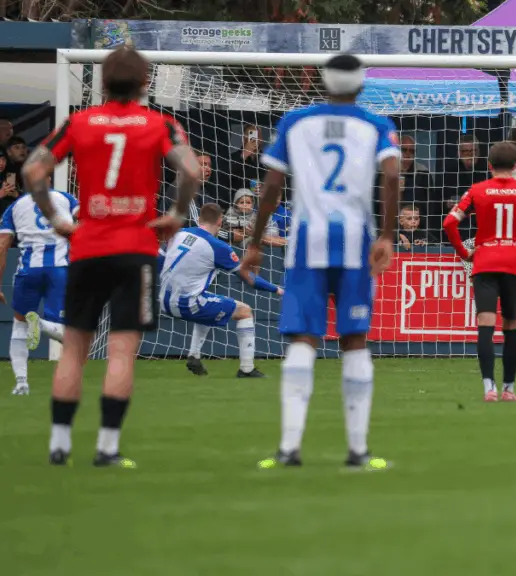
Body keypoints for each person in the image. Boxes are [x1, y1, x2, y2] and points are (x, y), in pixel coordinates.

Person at [21, 46, 202, 467]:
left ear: (103, 82)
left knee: (73, 350)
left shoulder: (79, 123)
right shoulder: (160, 124)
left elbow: (33, 169)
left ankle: (60, 445)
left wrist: (57, 218)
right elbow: (191, 170)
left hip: (87, 247)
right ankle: (106, 448)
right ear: (145, 83)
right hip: (136, 249)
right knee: (120, 352)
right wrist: (176, 214)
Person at [241, 54, 399, 470]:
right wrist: (386, 233)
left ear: (321, 81)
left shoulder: (295, 121)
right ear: (361, 83)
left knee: (302, 340)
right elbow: (393, 174)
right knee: (354, 339)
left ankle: (289, 448)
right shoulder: (377, 124)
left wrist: (255, 242)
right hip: (355, 242)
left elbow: (272, 185)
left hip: (306, 241)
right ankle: (358, 451)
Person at [443, 141, 516, 402]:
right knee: (511, 325)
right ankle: (509, 389)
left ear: (489, 165)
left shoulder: (477, 190)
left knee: (485, 323)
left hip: (484, 261)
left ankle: (489, 388)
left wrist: (465, 253)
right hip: (514, 262)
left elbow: (449, 222)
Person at [158, 203, 282, 378]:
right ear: (220, 221)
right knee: (245, 311)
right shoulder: (218, 247)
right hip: (187, 304)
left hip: (163, 301)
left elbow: (158, 262)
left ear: (199, 218)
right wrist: (276, 289)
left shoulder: (179, 234)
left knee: (210, 302)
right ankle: (247, 369)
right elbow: (249, 279)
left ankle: (194, 355)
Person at [0, 189, 78, 395]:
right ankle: (41, 323)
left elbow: (2, 246)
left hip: (27, 271)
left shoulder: (14, 207)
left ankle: (21, 383)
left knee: (19, 324)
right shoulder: (66, 198)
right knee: (66, 332)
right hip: (58, 270)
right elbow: (85, 224)